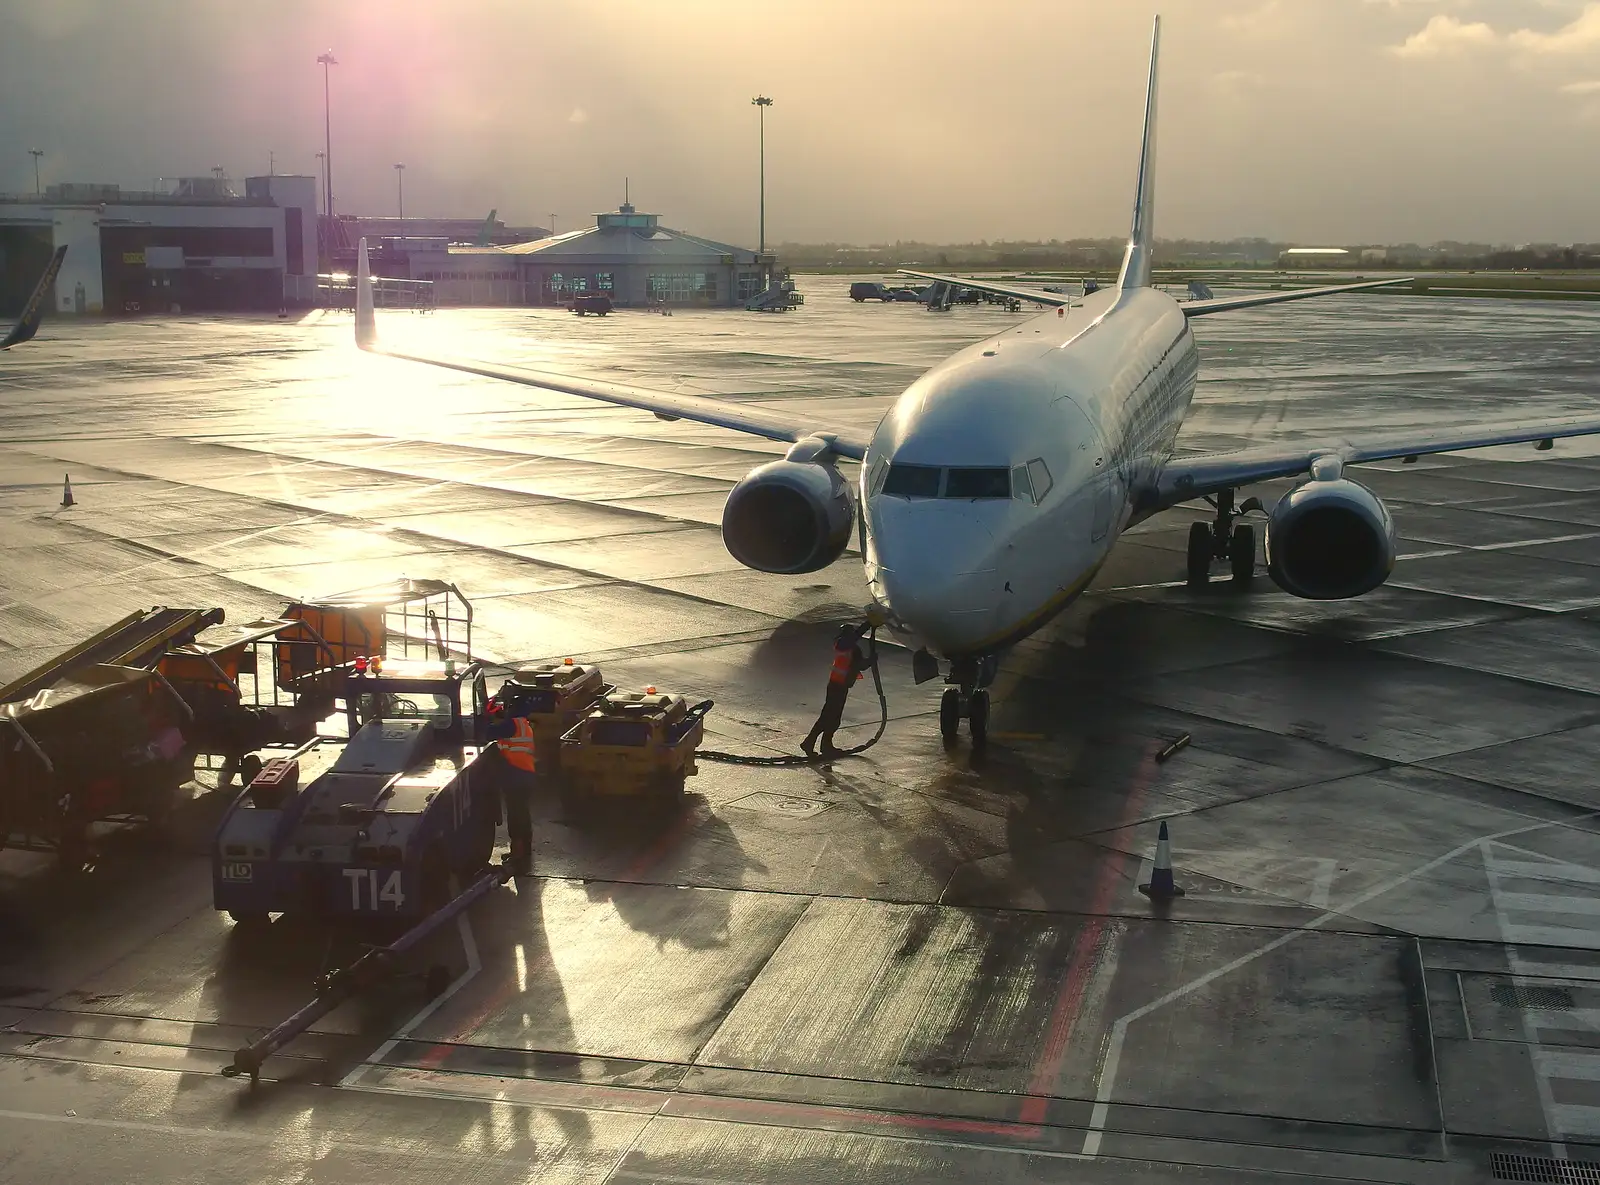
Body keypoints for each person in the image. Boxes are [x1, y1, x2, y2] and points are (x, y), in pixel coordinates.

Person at [483, 697, 537, 874]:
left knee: (516, 816)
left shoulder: (513, 724)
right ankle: (524, 851)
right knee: (523, 813)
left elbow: (489, 733)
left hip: (516, 776)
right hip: (526, 776)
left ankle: (517, 854)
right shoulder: (525, 726)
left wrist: (487, 719)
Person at [802, 624, 870, 758]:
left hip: (842, 686)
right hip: (836, 686)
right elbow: (852, 639)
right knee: (828, 716)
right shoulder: (842, 644)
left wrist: (871, 660)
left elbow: (860, 665)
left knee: (834, 718)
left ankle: (825, 745)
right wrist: (867, 624)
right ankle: (809, 742)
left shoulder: (853, 649)